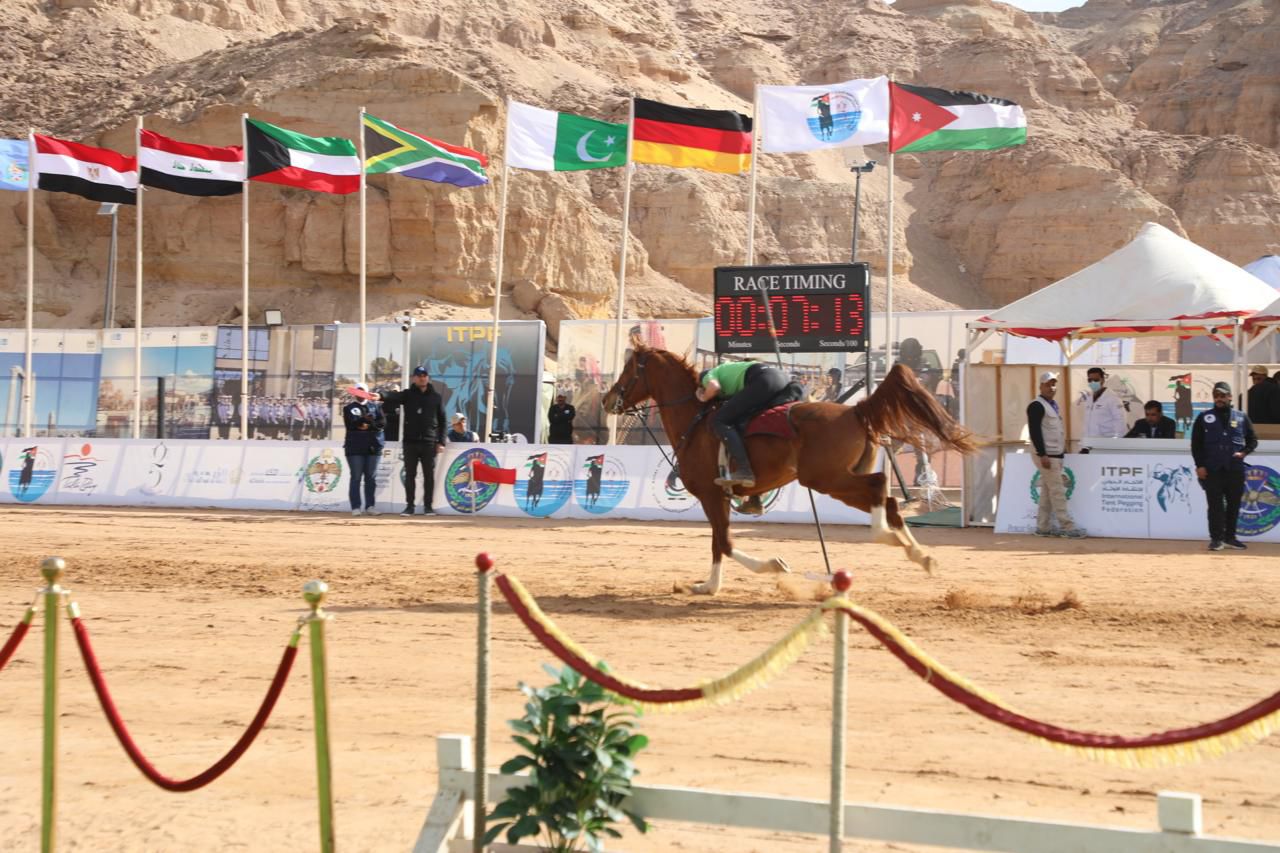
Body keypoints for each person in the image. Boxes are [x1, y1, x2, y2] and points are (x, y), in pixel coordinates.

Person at [697, 360, 800, 488]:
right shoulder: (728, 369)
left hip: (764, 380)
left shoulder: (709, 375)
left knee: (720, 421)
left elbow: (714, 387)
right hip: (783, 379)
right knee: (747, 417)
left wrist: (703, 397)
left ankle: (744, 470)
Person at [1191, 381, 1257, 551]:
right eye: (1216, 396)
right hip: (1212, 469)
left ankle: (1230, 538)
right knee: (1215, 506)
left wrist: (1244, 453)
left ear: (1230, 396)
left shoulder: (1241, 417)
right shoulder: (1204, 417)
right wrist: (1200, 465)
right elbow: (1196, 444)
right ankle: (1216, 539)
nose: (1219, 399)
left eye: (1222, 395)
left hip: (1234, 469)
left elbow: (1253, 440)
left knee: (1234, 505)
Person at [377, 366, 447, 516]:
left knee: (429, 476)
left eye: (424, 375)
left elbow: (443, 421)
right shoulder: (408, 395)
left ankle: (428, 506)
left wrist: (441, 442)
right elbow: (393, 396)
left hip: (429, 442)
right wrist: (380, 395)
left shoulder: (436, 397)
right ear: (414, 378)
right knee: (410, 475)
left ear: (428, 377)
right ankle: (410, 506)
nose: (422, 378)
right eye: (419, 375)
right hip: (410, 442)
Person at [1026, 371, 1086, 539]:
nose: (1051, 387)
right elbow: (1034, 431)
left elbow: (1055, 431)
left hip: (1054, 454)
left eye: (1053, 384)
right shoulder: (1037, 405)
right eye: (1048, 384)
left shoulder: (1051, 405)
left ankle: (1043, 526)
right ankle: (1067, 526)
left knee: (1048, 491)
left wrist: (1061, 452)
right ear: (1040, 386)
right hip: (1046, 454)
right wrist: (1042, 454)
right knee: (1057, 491)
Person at [343, 384, 385, 517]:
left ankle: (370, 506)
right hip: (355, 447)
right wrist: (363, 420)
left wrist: (370, 423)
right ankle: (355, 507)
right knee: (356, 476)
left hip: (373, 446)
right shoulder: (349, 408)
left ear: (367, 392)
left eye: (363, 391)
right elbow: (351, 425)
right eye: (358, 391)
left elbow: (382, 423)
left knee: (371, 477)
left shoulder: (376, 406)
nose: (360, 394)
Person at [1076, 367, 1127, 451]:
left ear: (1103, 380)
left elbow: (1120, 422)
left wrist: (1116, 443)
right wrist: (1083, 444)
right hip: (1088, 445)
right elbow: (1087, 424)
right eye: (1090, 380)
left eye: (1096, 380)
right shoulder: (1089, 398)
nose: (1093, 383)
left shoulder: (1112, 398)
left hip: (1105, 445)